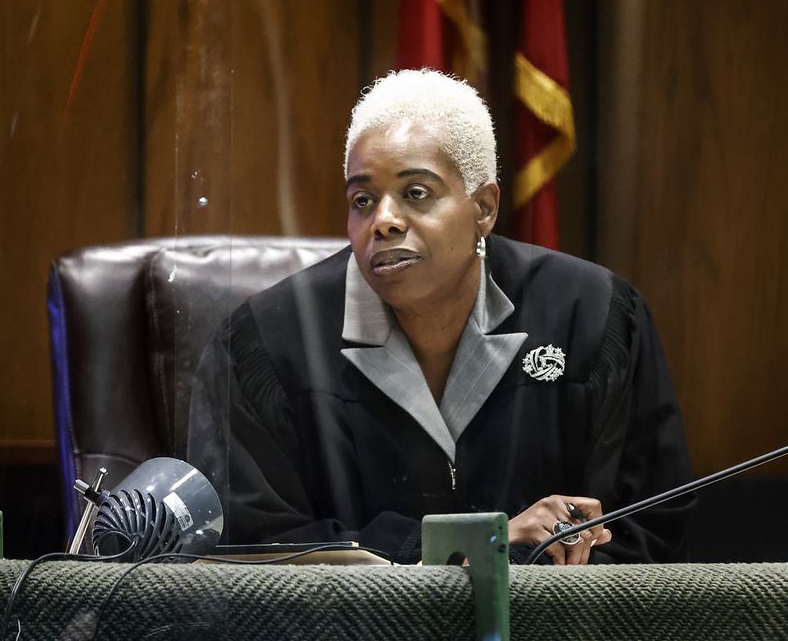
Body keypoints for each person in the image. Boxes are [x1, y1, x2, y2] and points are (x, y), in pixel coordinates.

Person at [187, 69, 694, 565]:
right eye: (362, 200)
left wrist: (536, 573)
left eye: (416, 193)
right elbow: (248, 546)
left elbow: (652, 528)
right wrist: (467, 547)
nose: (383, 221)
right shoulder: (268, 343)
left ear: (485, 208)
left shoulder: (592, 317)